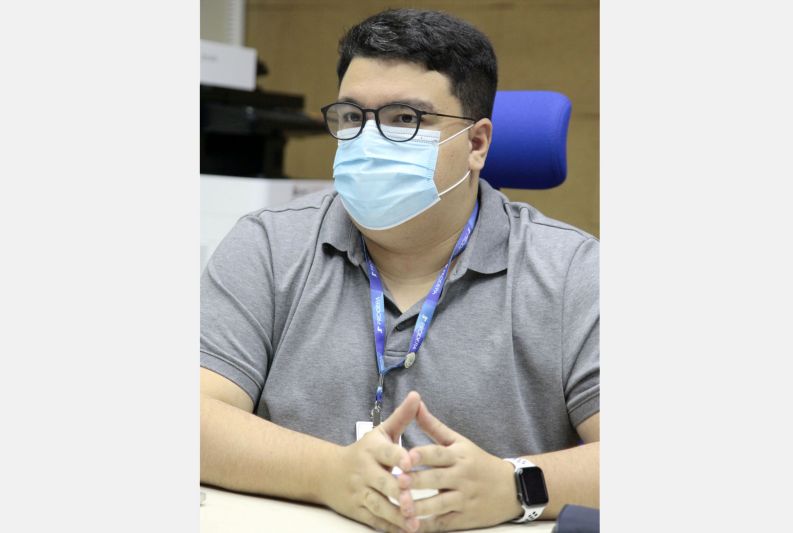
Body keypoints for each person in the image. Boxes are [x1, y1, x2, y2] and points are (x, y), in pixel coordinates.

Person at [200, 8, 598, 533]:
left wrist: (513, 484)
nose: (368, 140)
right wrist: (329, 474)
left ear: (476, 144)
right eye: (351, 115)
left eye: (405, 119)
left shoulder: (572, 271)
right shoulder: (269, 245)